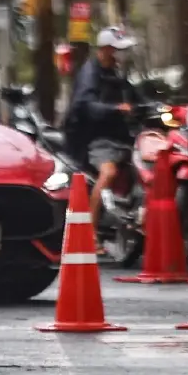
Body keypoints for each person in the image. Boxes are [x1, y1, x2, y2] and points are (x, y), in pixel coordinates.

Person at [65, 26, 142, 225]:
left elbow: (136, 98)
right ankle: (89, 230)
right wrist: (116, 108)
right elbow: (86, 106)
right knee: (109, 173)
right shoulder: (89, 74)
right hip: (97, 140)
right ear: (106, 49)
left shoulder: (115, 73)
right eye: (117, 49)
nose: (120, 54)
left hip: (122, 136)